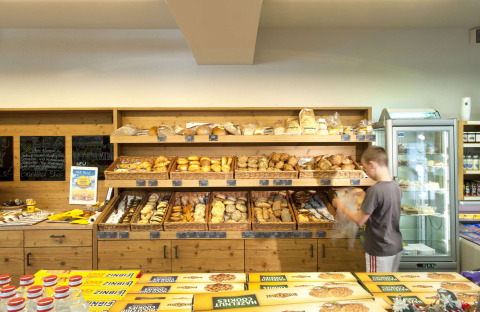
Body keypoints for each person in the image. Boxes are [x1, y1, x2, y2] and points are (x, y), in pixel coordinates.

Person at [332, 146, 403, 272]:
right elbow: (383, 208)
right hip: (395, 247)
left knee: (377, 287)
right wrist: (363, 194)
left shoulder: (375, 190)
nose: (365, 172)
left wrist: (341, 206)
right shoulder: (395, 186)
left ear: (372, 165)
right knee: (389, 285)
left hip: (379, 249)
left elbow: (360, 220)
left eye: (365, 168)